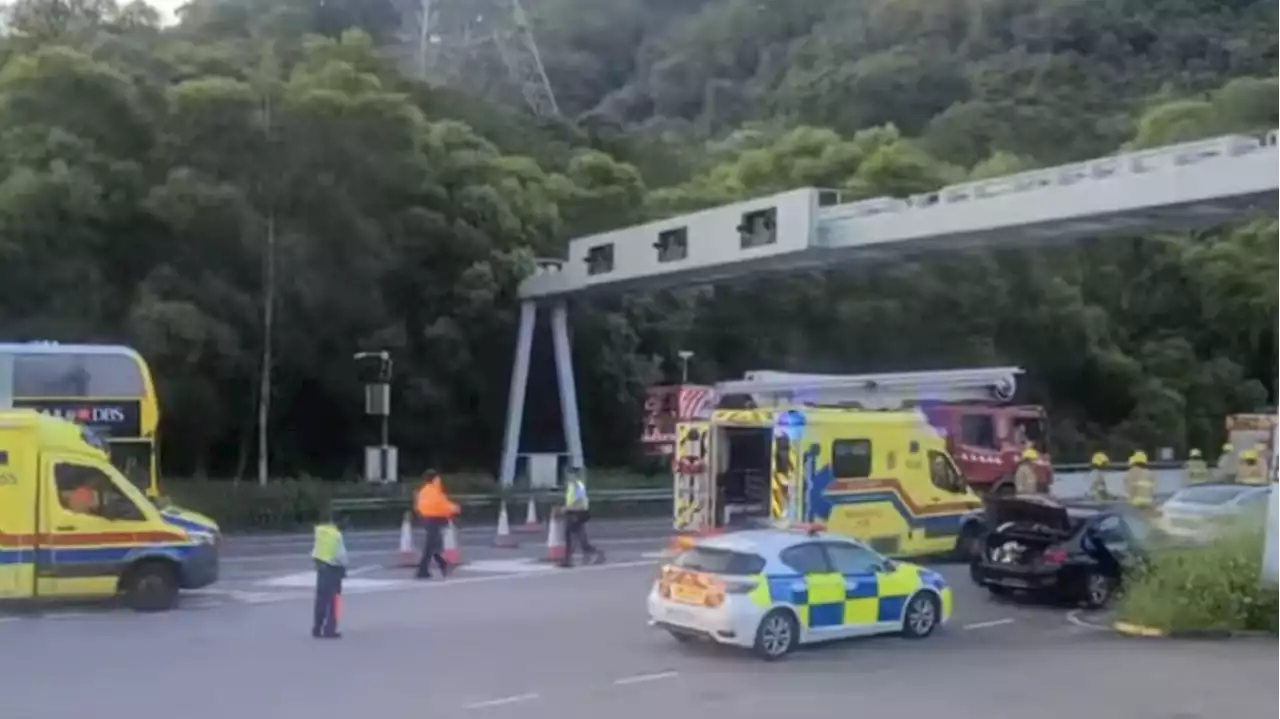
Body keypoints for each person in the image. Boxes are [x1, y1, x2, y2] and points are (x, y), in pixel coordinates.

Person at [414, 471, 459, 579]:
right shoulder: (434, 491)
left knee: (434, 544)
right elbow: (441, 505)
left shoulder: (424, 491)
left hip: (427, 519)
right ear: (434, 479)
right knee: (431, 546)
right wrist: (454, 509)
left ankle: (435, 566)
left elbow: (420, 506)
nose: (440, 480)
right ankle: (426, 569)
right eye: (438, 478)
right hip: (434, 519)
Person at [311, 509, 348, 639]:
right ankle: (330, 629)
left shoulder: (320, 531)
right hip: (334, 569)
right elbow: (341, 556)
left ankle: (317, 627)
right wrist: (345, 568)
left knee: (321, 600)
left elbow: (315, 550)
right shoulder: (336, 535)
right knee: (335, 601)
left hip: (321, 567)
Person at [560, 467, 604, 568]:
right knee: (581, 538)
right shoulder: (572, 486)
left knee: (571, 536)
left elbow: (579, 504)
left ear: (575, 476)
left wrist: (566, 508)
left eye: (570, 475)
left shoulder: (578, 487)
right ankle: (597, 554)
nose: (568, 478)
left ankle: (568, 560)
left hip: (579, 513)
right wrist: (566, 508)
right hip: (574, 513)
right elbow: (571, 501)